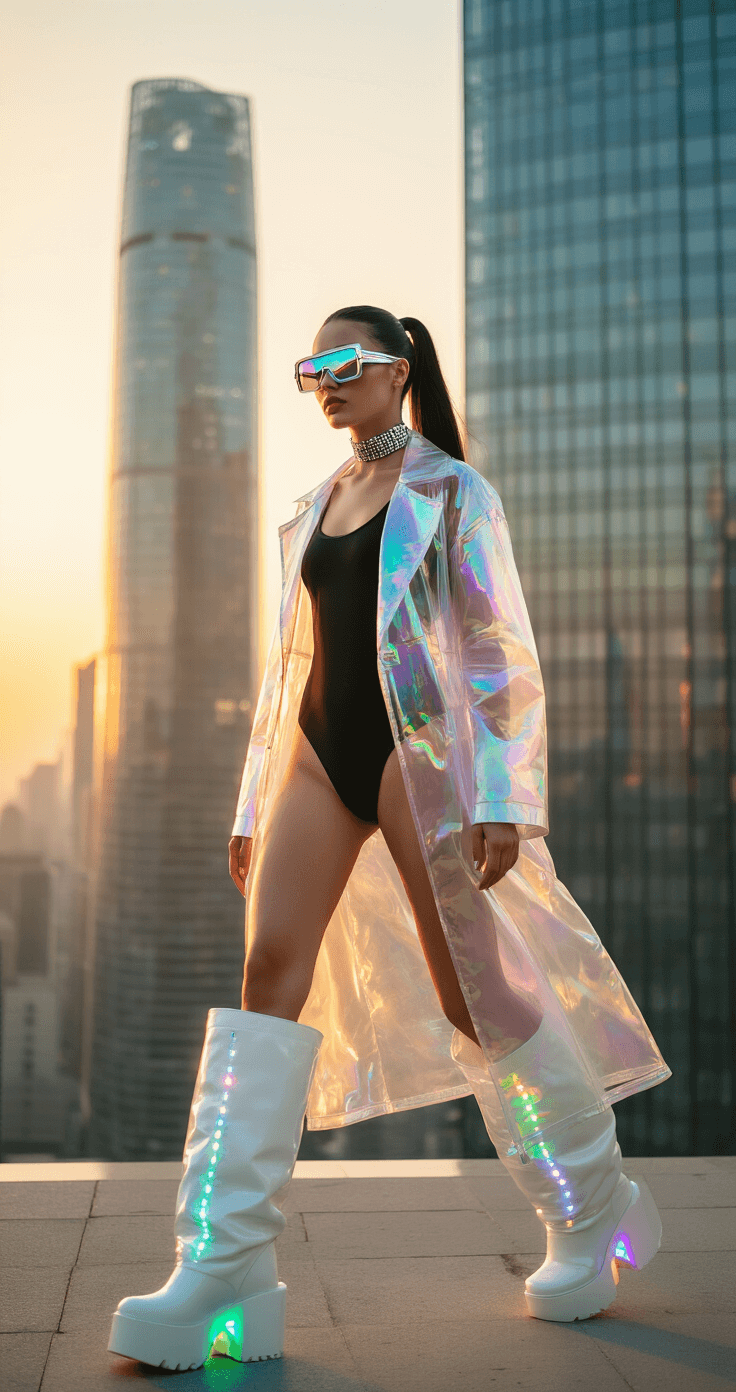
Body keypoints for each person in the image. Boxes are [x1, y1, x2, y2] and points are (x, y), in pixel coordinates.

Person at [108, 306, 670, 1370]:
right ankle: (225, 1268)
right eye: (309, 367)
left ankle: (593, 1207)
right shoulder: (313, 503)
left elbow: (498, 645)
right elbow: (286, 668)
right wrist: (251, 805)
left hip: (422, 757)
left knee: (472, 991)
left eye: (343, 362)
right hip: (315, 757)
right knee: (268, 974)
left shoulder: (453, 492)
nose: (324, 380)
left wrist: (504, 795)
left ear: (396, 370)